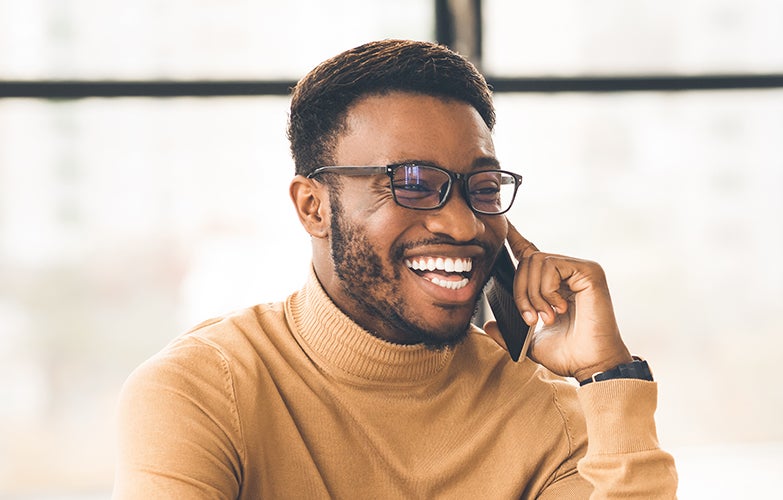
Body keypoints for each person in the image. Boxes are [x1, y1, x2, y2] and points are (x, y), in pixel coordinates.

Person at [114, 39, 677, 499]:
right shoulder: (204, 390)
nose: (461, 226)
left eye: (481, 188)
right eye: (412, 184)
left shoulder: (547, 408)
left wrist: (607, 374)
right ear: (314, 207)